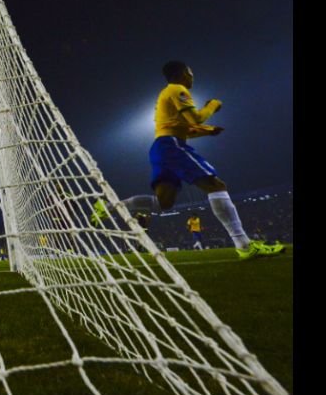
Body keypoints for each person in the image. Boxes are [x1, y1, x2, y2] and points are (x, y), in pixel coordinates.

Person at [119, 61, 284, 260]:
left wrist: (208, 131)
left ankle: (109, 206)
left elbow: (181, 129)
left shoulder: (165, 94)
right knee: (216, 186)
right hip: (172, 145)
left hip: (161, 147)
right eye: (190, 72)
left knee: (164, 203)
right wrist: (212, 106)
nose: (192, 77)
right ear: (181, 73)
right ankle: (245, 245)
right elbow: (196, 119)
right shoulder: (177, 89)